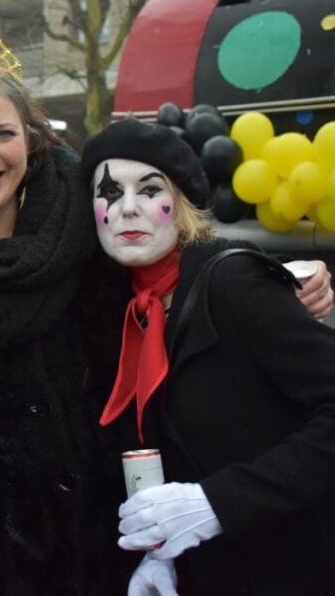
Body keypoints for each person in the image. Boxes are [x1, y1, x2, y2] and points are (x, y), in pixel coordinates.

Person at [0, 25, 333, 594]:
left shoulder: (87, 245)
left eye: (2, 133)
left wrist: (277, 274)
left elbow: (174, 262)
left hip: (100, 555)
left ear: (32, 143)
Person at [81, 119, 335, 595]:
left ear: (179, 205)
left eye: (149, 189)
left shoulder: (235, 283)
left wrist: (218, 503)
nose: (128, 208)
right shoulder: (113, 310)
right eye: (110, 193)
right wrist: (156, 557)